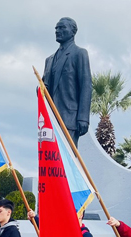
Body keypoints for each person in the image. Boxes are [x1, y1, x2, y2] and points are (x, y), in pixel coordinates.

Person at [42, 17, 92, 147]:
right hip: (50, 120)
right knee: (52, 161)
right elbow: (45, 88)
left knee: (67, 160)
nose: (57, 31)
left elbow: (86, 86)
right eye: (56, 28)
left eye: (62, 27)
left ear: (73, 31)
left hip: (70, 118)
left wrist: (83, 118)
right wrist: (40, 90)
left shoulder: (79, 53)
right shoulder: (49, 60)